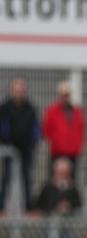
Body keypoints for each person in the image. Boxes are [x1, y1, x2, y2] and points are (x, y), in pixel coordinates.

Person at [0, 77, 40, 213]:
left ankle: (28, 206)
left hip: (26, 148)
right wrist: (7, 140)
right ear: (12, 91)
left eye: (21, 90)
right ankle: (2, 207)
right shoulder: (5, 107)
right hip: (9, 148)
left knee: (27, 177)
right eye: (16, 89)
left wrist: (33, 141)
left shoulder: (30, 107)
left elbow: (36, 128)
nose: (19, 92)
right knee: (6, 177)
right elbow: (2, 126)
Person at [42, 81, 86, 179]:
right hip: (57, 151)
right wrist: (55, 142)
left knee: (72, 178)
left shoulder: (77, 112)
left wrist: (78, 145)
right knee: (54, 178)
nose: (65, 98)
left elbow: (81, 129)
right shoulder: (52, 111)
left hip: (72, 151)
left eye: (67, 95)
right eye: (63, 95)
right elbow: (47, 129)